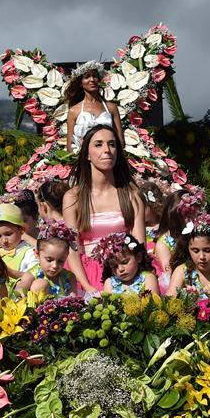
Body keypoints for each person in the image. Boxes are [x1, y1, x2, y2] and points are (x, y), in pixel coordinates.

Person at [63, 125, 146, 292]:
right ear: (87, 154)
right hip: (86, 276)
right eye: (98, 144)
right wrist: (87, 286)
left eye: (112, 144)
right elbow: (72, 249)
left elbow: (139, 246)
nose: (107, 150)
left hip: (126, 273)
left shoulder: (131, 195)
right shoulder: (73, 198)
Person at [64, 61, 124, 153]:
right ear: (81, 83)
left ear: (98, 80)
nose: (92, 79)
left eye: (95, 76)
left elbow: (121, 140)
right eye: (87, 77)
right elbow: (70, 145)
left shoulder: (111, 108)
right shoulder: (74, 111)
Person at [154, 188, 205, 284]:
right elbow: (169, 273)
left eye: (194, 213)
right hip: (181, 281)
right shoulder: (163, 244)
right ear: (175, 216)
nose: (192, 218)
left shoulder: (196, 233)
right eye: (187, 214)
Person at [16, 220, 77, 297]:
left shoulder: (69, 277)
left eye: (61, 261)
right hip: (34, 304)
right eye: (49, 260)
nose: (55, 265)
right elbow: (18, 292)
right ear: (37, 254)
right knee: (40, 284)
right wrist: (23, 295)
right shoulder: (30, 276)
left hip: (63, 305)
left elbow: (73, 298)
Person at [0, 202, 38, 287]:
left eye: (8, 234)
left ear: (21, 230)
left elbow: (34, 276)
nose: (4, 240)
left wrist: (10, 272)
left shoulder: (30, 252)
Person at [92, 232, 160, 295]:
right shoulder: (109, 283)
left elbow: (153, 303)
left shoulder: (148, 279)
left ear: (138, 257)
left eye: (125, 262)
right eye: (114, 266)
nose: (121, 269)